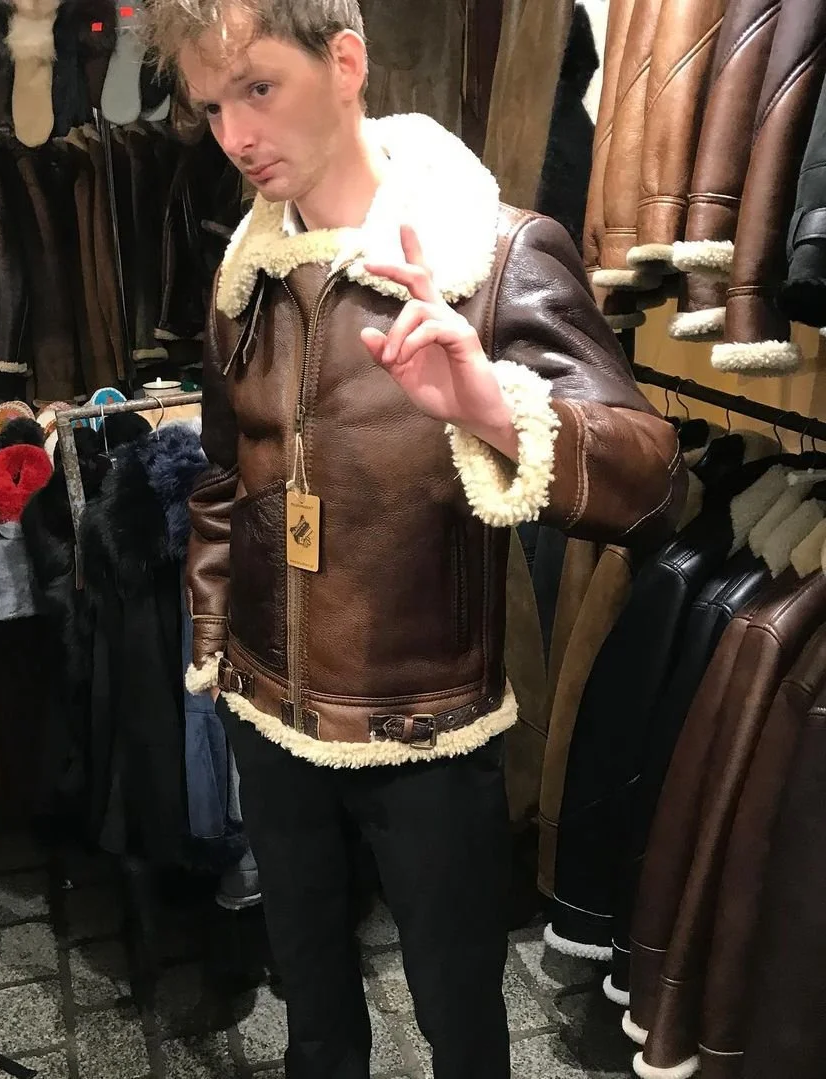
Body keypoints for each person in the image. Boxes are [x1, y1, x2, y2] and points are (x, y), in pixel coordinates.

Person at [143, 2, 687, 1076]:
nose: (235, 135)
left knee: (459, 1015)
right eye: (212, 107)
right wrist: (214, 640)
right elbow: (223, 470)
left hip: (424, 726)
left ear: (345, 62)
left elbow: (652, 479)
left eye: (259, 88)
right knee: (313, 1007)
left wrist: (493, 410)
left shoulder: (492, 252)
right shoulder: (246, 274)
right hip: (267, 705)